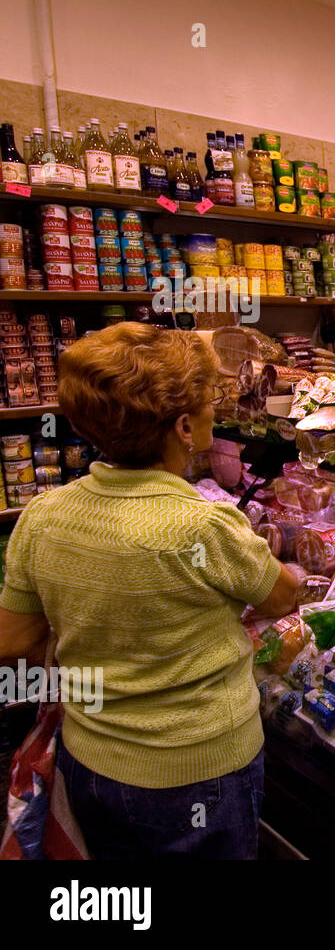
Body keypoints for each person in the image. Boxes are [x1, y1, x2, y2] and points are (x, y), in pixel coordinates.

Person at [0, 323, 300, 859]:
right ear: (185, 427)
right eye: (209, 401)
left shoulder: (43, 514)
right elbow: (280, 597)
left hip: (90, 760)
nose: (214, 410)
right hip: (200, 772)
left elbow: (14, 638)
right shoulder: (205, 524)